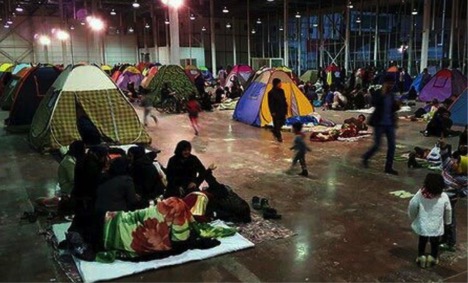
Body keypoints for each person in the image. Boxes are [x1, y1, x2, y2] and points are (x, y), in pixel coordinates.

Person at [408, 173, 452, 268]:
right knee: (435, 242)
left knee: (422, 241)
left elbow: (412, 205)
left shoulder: (420, 194)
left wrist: (413, 217)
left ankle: (421, 256)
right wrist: (447, 222)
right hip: (436, 226)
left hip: (423, 224)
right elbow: (448, 210)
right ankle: (433, 257)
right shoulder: (444, 196)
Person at [362, 75, 400, 175]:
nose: (391, 85)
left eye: (392, 83)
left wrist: (397, 104)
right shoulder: (379, 93)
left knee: (392, 146)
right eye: (389, 83)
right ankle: (366, 157)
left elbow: (394, 108)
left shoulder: (391, 95)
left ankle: (388, 167)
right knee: (377, 145)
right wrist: (382, 94)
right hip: (379, 123)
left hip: (389, 124)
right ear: (385, 83)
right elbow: (374, 103)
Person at [267, 78, 288, 142]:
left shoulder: (282, 91)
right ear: (276, 84)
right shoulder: (271, 93)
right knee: (277, 124)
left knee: (282, 122)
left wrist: (286, 108)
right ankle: (279, 137)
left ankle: (274, 131)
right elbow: (270, 103)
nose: (280, 84)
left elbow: (284, 100)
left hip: (282, 110)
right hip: (276, 111)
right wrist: (272, 111)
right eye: (279, 83)